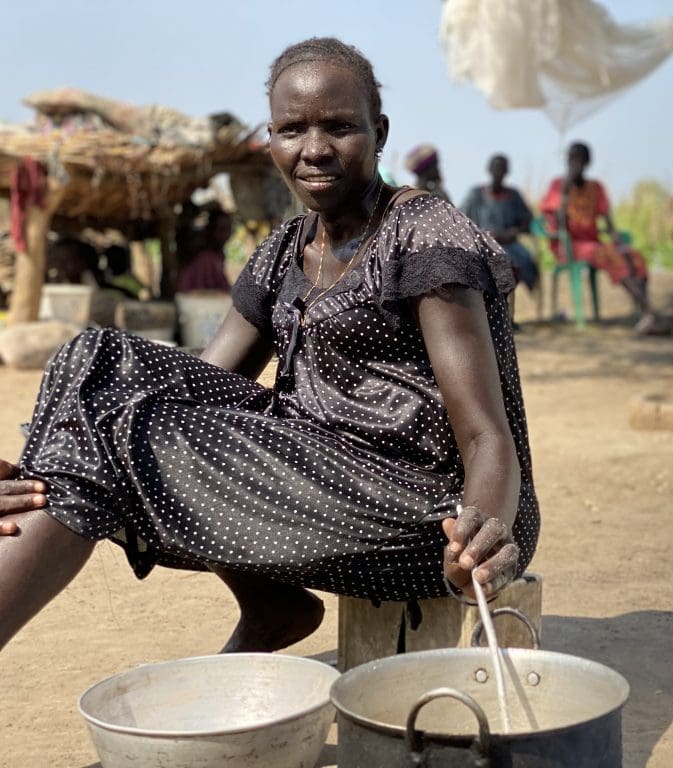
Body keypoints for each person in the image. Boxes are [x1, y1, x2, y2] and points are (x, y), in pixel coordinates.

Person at [0, 36, 539, 656]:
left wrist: (481, 537)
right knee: (97, 364)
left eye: (340, 127)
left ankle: (267, 603)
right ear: (271, 138)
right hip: (317, 486)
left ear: (379, 131)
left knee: (113, 425)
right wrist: (46, 460)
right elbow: (189, 389)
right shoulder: (286, 250)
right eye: (291, 130)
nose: (314, 150)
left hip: (430, 513)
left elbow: (485, 435)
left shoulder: (420, 234)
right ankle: (269, 603)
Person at [539, 141, 670, 336]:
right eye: (571, 159)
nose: (575, 163)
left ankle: (645, 313)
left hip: (594, 243)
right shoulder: (558, 186)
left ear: (587, 162)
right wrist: (565, 195)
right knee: (609, 255)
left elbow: (608, 223)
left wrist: (617, 240)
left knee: (634, 257)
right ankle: (651, 313)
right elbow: (557, 223)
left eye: (579, 159)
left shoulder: (596, 187)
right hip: (569, 247)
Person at [461, 153, 538, 313]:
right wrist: (482, 235)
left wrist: (514, 231)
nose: (498, 172)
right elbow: (461, 219)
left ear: (507, 172)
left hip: (511, 245)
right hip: (483, 245)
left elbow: (527, 220)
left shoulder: (514, 195)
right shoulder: (476, 195)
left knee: (518, 265)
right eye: (495, 168)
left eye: (502, 169)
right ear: (489, 170)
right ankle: (494, 312)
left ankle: (507, 314)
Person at [177, 207, 233, 293]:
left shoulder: (218, 255)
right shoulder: (206, 258)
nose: (226, 234)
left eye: (228, 229)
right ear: (212, 230)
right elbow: (207, 290)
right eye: (221, 229)